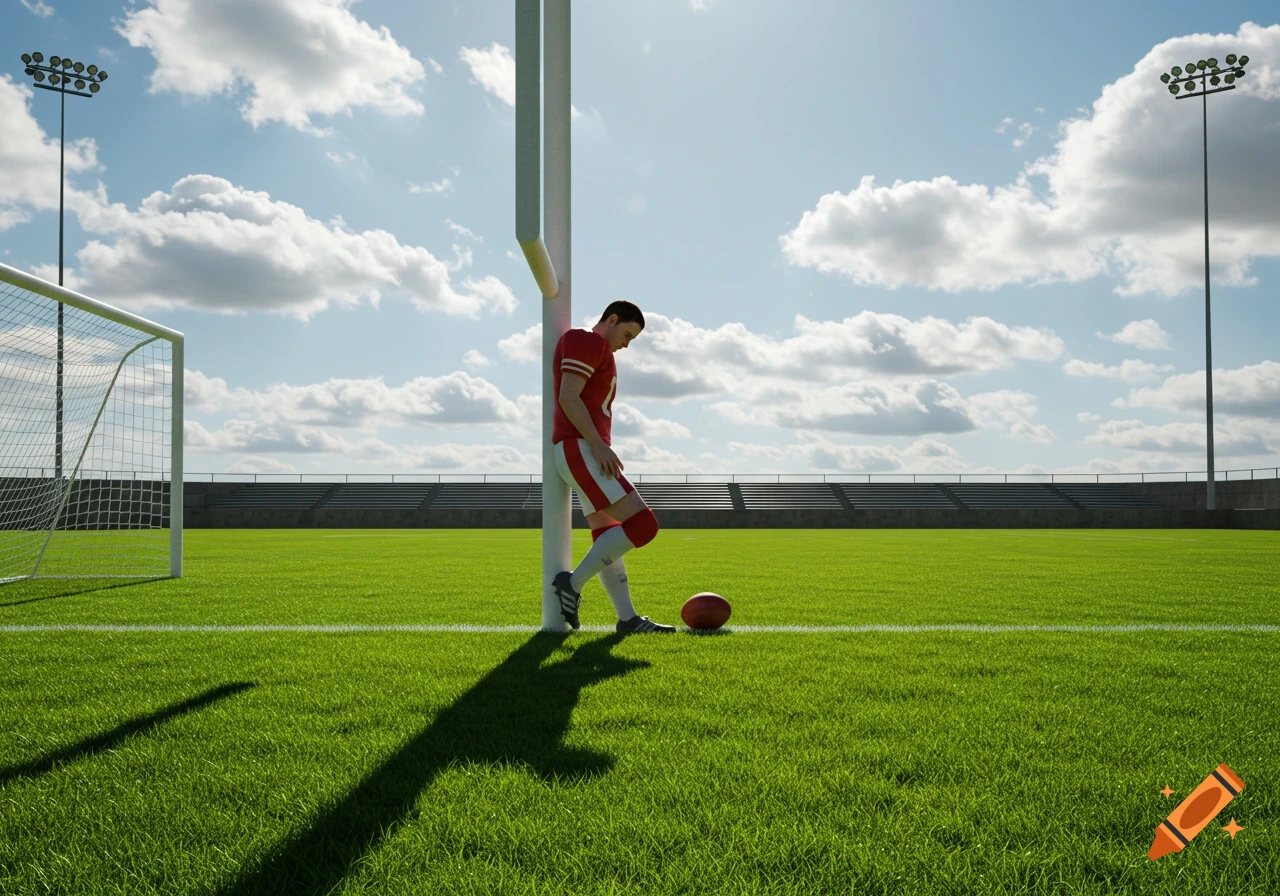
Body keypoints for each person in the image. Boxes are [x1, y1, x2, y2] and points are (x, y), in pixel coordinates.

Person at [550, 300, 675, 634]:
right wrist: (597, 444)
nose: (626, 345)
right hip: (581, 448)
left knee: (607, 536)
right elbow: (568, 397)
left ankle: (628, 619)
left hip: (584, 450)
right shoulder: (587, 341)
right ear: (612, 319)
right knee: (644, 525)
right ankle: (572, 585)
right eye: (627, 335)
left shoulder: (593, 348)